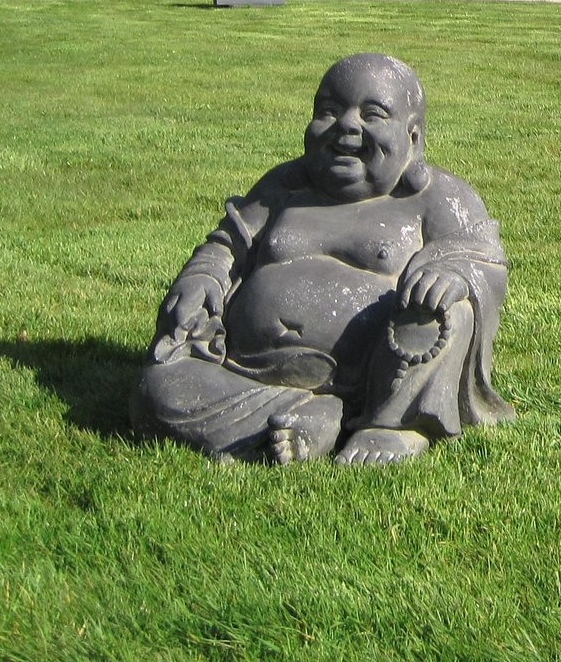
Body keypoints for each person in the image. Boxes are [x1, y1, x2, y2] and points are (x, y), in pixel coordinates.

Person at [131, 53, 514, 464]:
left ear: (413, 137)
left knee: (446, 311)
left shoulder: (438, 199)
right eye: (329, 111)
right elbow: (228, 244)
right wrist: (204, 276)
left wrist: (452, 275)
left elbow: (482, 261)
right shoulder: (285, 185)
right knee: (160, 388)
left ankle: (393, 423)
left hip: (380, 374)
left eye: (372, 114)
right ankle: (309, 416)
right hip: (243, 368)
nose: (347, 125)